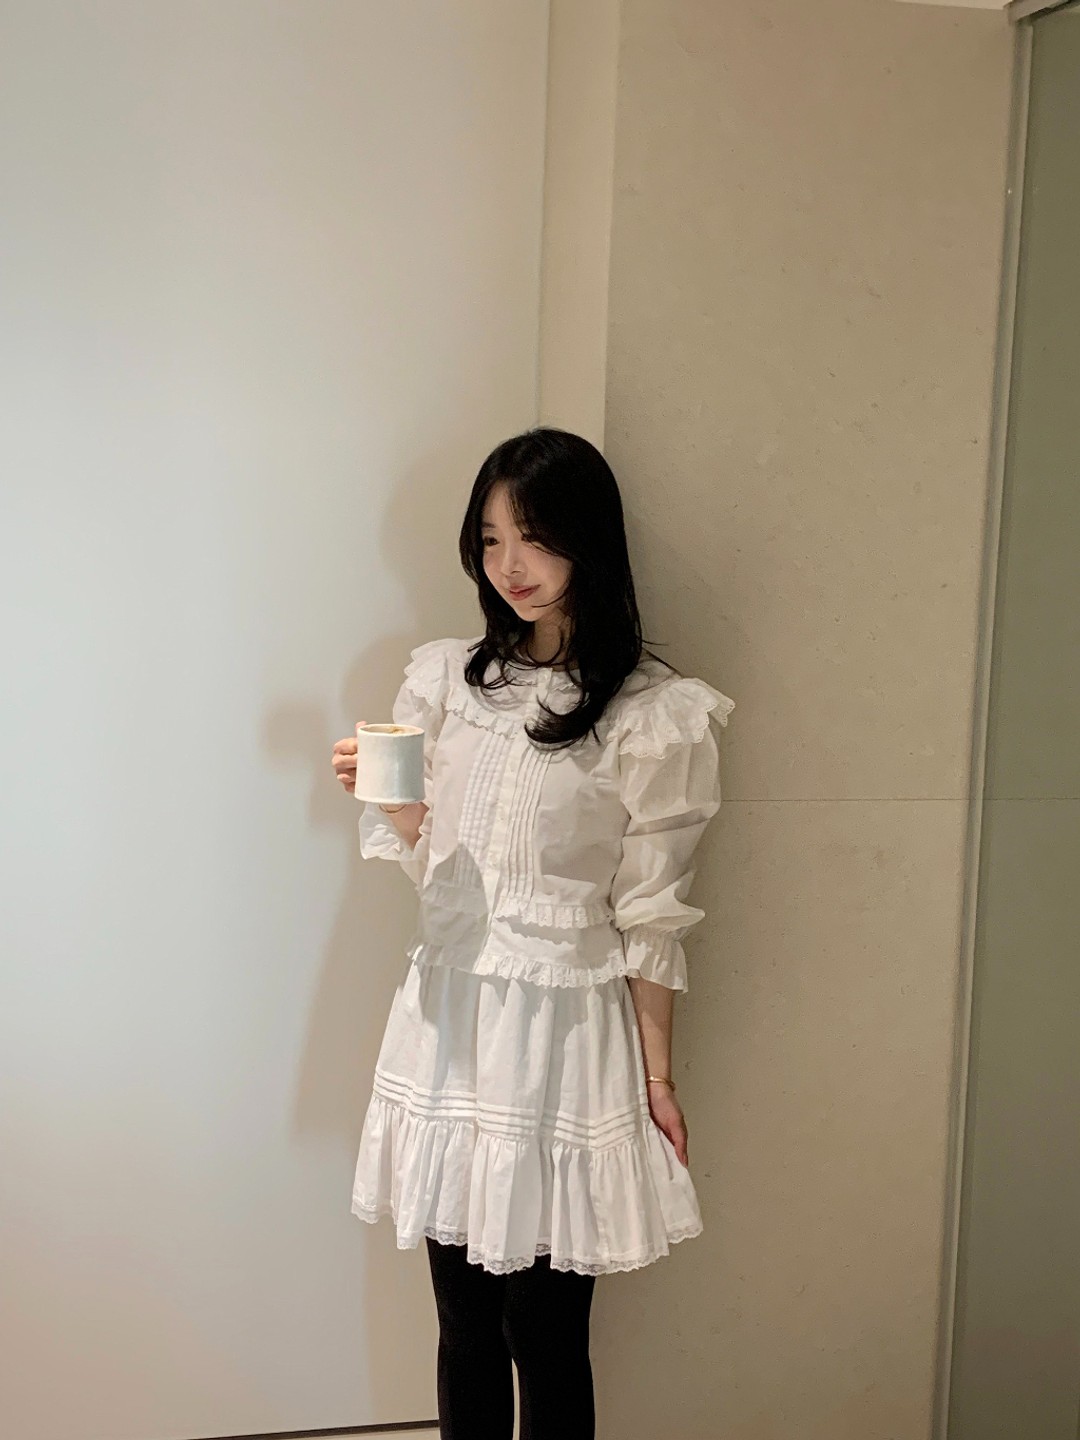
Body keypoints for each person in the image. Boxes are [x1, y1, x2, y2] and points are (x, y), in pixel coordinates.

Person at [331, 428, 733, 1440]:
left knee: (544, 1333)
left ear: (588, 540)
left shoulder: (653, 714)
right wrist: (393, 802)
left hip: (561, 1039)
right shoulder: (447, 684)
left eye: (535, 537)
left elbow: (652, 912)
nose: (510, 565)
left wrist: (658, 1076)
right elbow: (445, 874)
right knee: (463, 1325)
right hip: (453, 1019)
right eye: (490, 538)